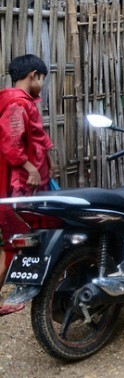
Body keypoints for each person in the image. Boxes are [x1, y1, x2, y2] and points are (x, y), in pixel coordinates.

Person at [0, 54, 56, 316]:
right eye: (43, 79)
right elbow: (12, 144)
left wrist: (49, 161)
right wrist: (31, 167)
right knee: (14, 244)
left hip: (31, 185)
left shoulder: (25, 102)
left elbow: (37, 137)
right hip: (19, 188)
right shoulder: (16, 104)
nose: (43, 84)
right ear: (34, 75)